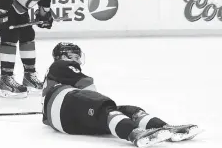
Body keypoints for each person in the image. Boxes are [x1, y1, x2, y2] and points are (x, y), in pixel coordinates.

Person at [42, 42, 202, 147]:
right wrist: (99, 105)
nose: (77, 59)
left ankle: (163, 128)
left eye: (78, 56)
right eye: (74, 55)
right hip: (62, 104)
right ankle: (135, 133)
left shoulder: (55, 73)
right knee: (105, 109)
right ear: (63, 56)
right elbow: (88, 87)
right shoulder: (60, 64)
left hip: (65, 122)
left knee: (128, 111)